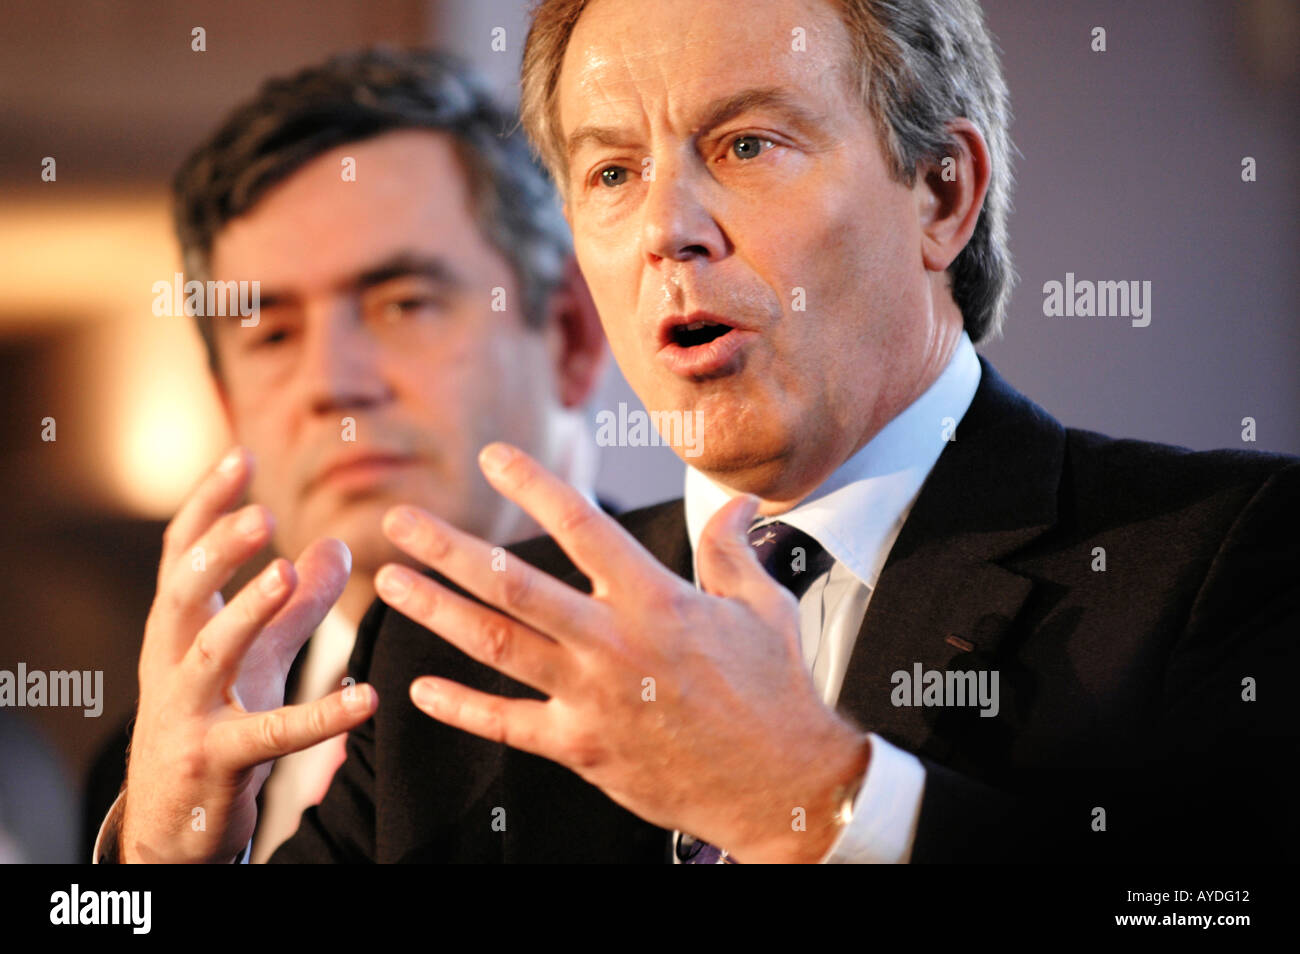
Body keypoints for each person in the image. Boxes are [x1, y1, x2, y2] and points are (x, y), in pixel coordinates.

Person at [120, 0, 1298, 864]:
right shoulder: (464, 643)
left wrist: (826, 799)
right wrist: (159, 872)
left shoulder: (1226, 559)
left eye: (745, 145)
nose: (666, 230)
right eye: (614, 171)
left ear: (941, 192)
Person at [89, 48, 608, 863]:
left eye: (405, 303)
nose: (333, 384)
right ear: (228, 406)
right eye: (272, 335)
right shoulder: (153, 770)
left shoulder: (719, 685)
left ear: (571, 335)